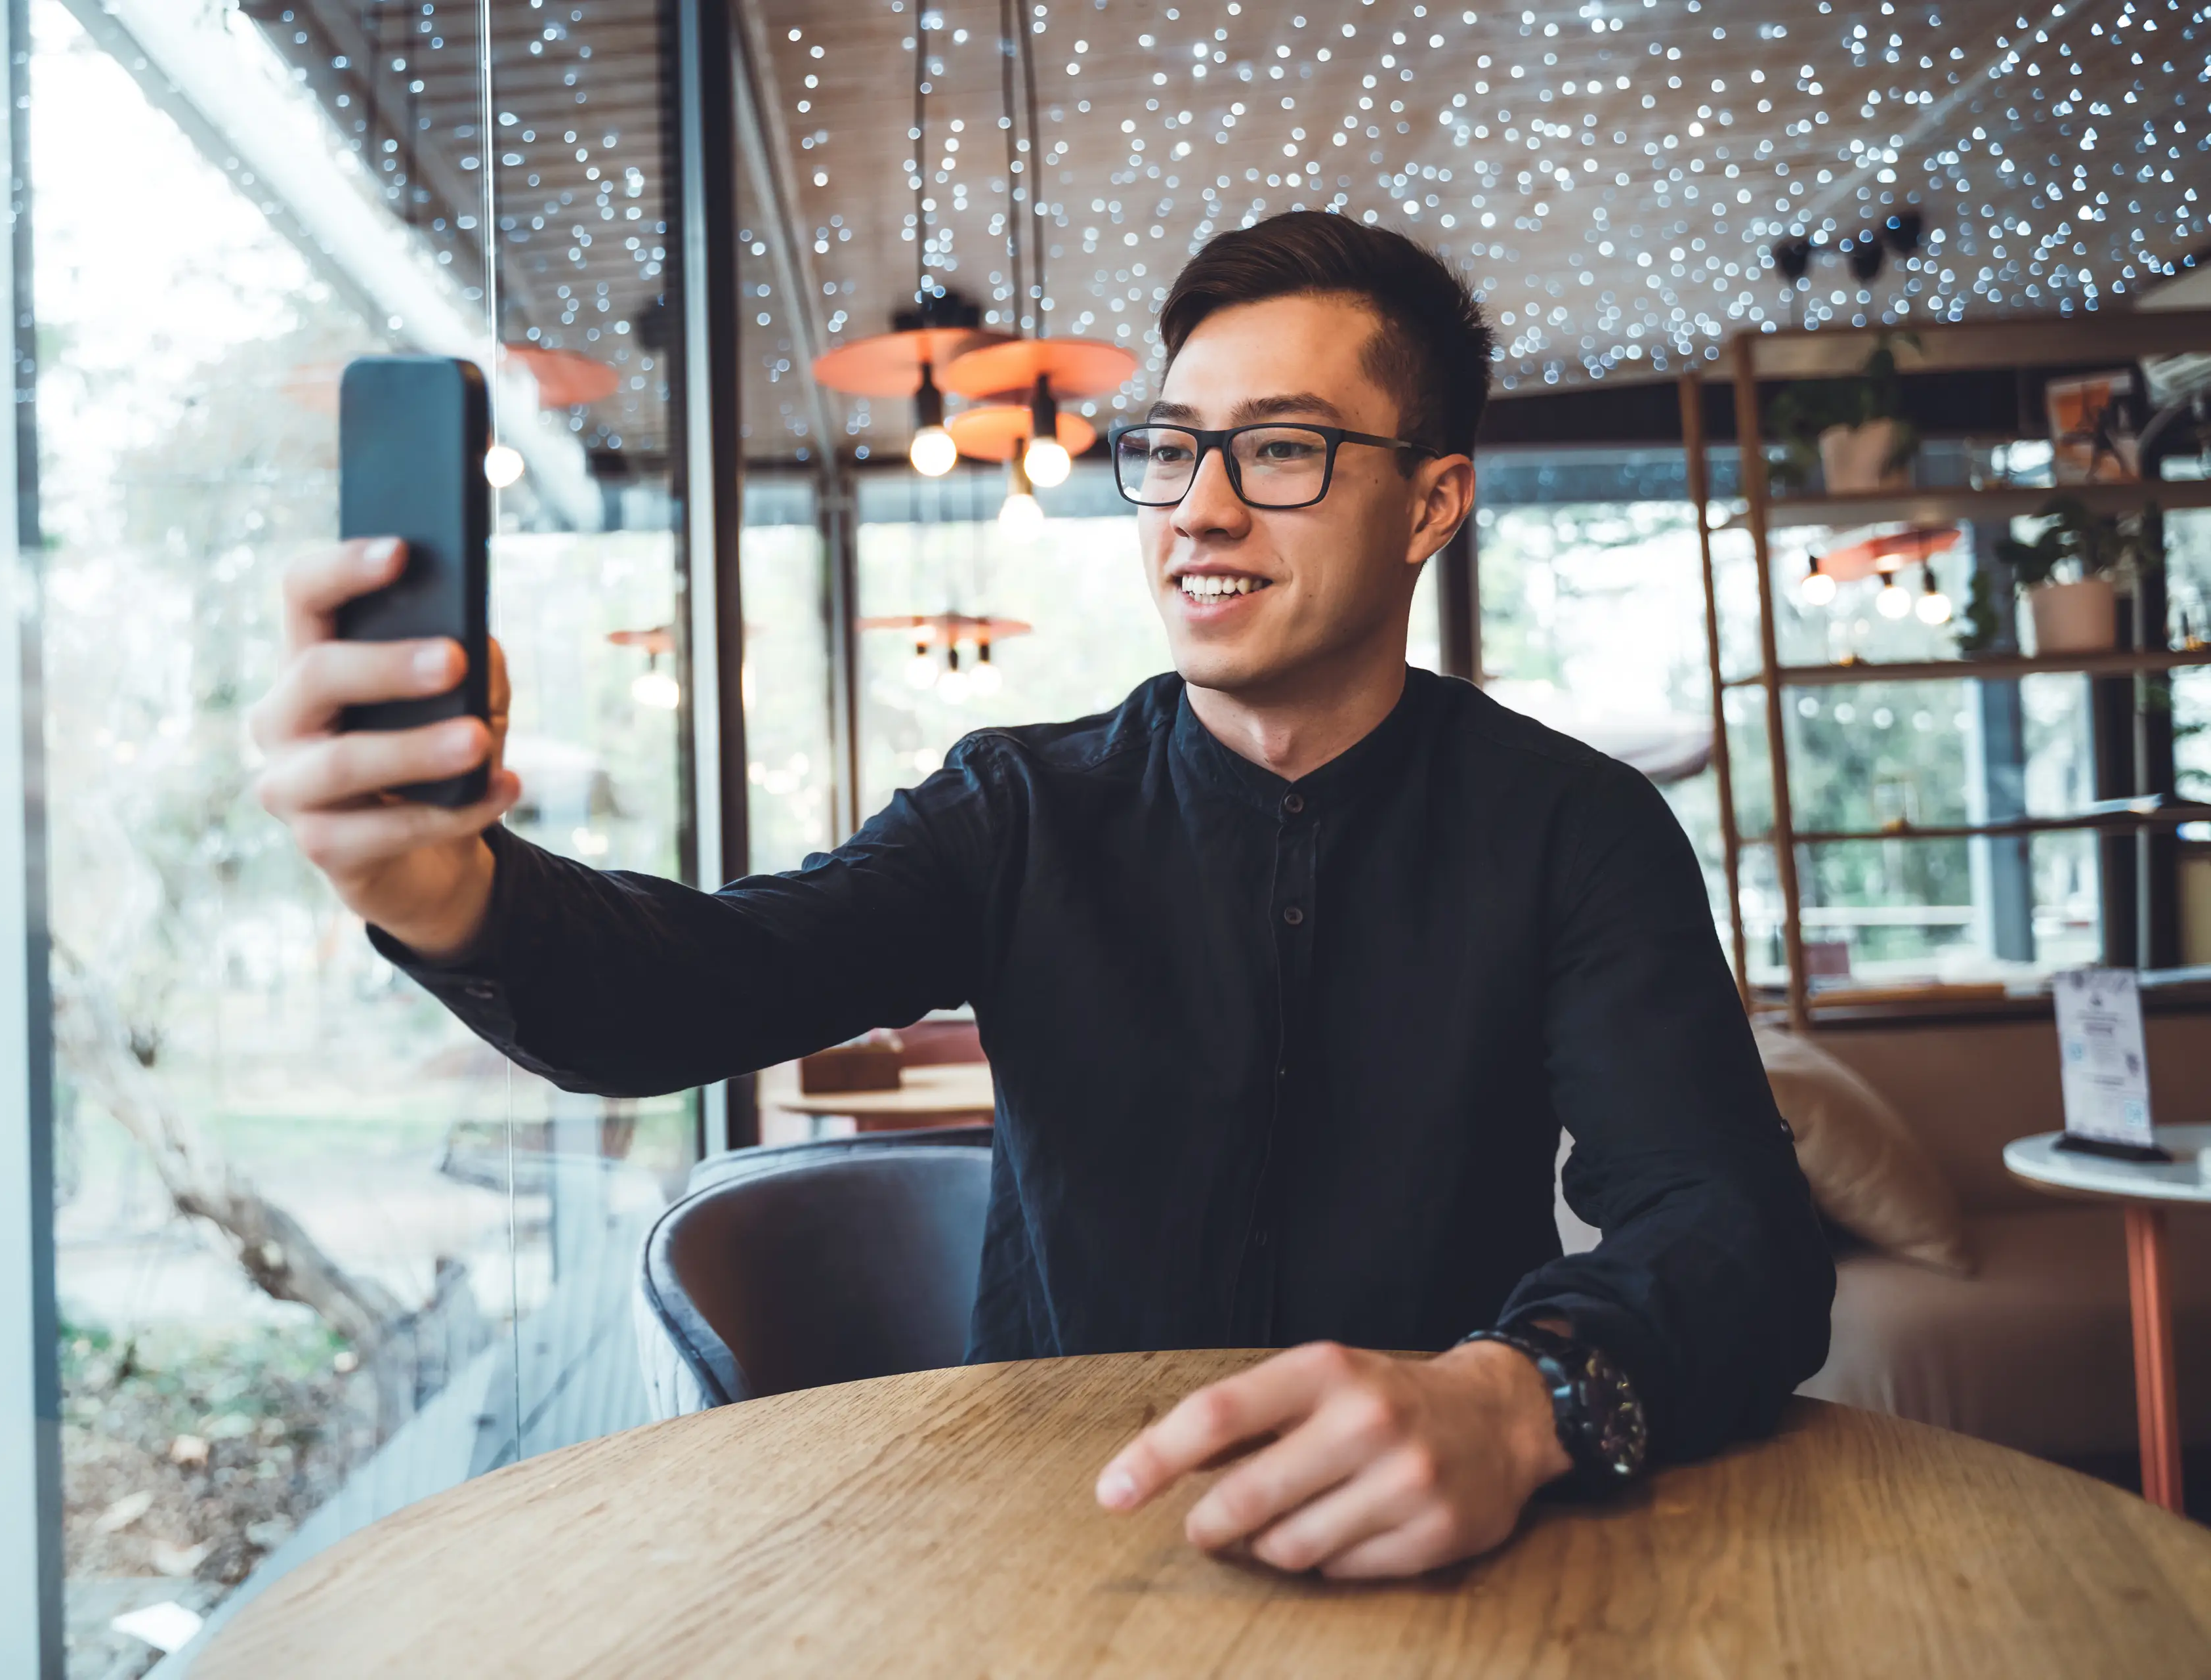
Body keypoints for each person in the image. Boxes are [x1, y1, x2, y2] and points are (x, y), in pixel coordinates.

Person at [250, 211, 1832, 1580]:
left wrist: (1521, 1392)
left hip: (1452, 1527)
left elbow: (1732, 1224)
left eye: (1281, 449)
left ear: (1431, 502)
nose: (1197, 511)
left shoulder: (1577, 826)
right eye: (1170, 447)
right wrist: (454, 890)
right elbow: (704, 984)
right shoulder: (1016, 808)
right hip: (1060, 1530)